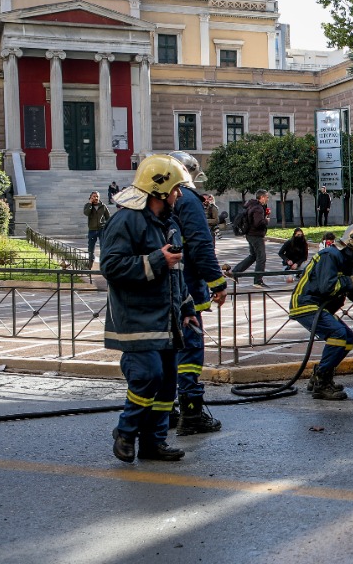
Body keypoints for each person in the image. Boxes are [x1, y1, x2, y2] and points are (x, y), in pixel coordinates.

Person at [99, 154, 190, 463]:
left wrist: (187, 308)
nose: (179, 195)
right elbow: (111, 266)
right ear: (159, 190)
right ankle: (126, 433)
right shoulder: (126, 220)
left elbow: (176, 272)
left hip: (166, 318)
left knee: (166, 384)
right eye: (176, 189)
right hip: (137, 318)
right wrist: (156, 259)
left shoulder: (168, 223)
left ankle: (153, 443)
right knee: (148, 375)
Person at [287, 223, 353, 399]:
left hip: (319, 306)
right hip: (306, 305)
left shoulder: (346, 260)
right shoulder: (330, 255)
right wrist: (350, 281)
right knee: (338, 334)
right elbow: (327, 287)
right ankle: (322, 384)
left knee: (348, 338)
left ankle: (320, 375)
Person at [167, 151, 229, 436]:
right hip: (187, 289)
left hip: (159, 289)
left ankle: (164, 411)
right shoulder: (188, 200)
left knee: (166, 351)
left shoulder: (148, 200)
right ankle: (191, 413)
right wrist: (217, 282)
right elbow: (200, 244)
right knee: (189, 348)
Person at [229, 190, 270, 286]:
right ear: (262, 197)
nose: (267, 199)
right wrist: (266, 220)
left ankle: (235, 272)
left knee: (253, 256)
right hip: (256, 236)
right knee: (261, 258)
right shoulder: (258, 208)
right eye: (267, 197)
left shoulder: (251, 205)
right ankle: (258, 281)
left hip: (250, 234)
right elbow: (258, 223)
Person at [83, 191, 111, 267]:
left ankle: (103, 263)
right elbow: (86, 213)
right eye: (94, 196)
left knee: (103, 246)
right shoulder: (88, 205)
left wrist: (107, 227)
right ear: (91, 197)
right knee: (91, 247)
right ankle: (91, 261)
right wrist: (90, 203)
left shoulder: (103, 206)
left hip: (102, 229)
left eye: (97, 196)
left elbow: (108, 218)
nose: (96, 198)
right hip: (92, 229)